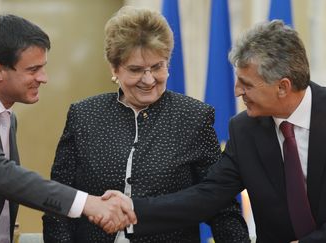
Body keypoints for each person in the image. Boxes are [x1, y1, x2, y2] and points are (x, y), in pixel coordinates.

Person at [102, 20, 326, 242]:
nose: (236, 91)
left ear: (282, 87)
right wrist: (132, 209)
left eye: (246, 84)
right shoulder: (244, 129)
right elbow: (207, 195)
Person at [42, 6, 249, 243]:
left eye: (158, 67)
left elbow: (221, 206)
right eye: (136, 70)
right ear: (114, 68)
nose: (149, 79)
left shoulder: (193, 118)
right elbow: (59, 202)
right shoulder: (84, 115)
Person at [0, 14, 135, 243]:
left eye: (43, 68)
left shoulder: (6, 115)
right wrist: (87, 203)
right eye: (33, 69)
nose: (43, 78)